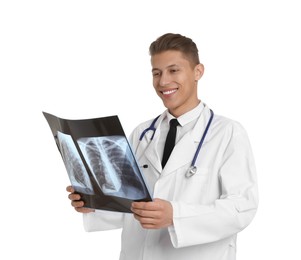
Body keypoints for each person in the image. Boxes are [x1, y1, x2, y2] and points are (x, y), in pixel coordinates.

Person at [66, 33, 258, 260]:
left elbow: (242, 208)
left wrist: (176, 216)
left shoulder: (227, 133)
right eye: (156, 73)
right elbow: (128, 204)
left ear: (198, 71)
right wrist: (93, 203)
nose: (163, 81)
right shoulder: (143, 133)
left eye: (173, 70)